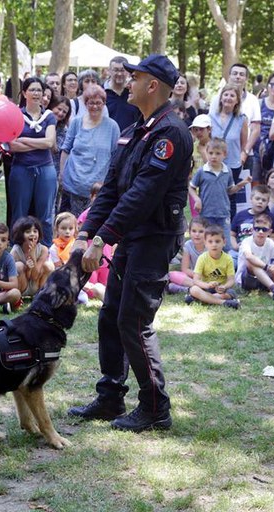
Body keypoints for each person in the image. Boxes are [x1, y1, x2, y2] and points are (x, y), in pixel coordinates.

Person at [68, 54, 192, 433]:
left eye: (135, 77)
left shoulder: (171, 135)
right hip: (132, 235)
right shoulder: (135, 129)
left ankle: (155, 408)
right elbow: (111, 188)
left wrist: (103, 237)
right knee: (111, 315)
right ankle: (110, 396)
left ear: (152, 85)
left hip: (154, 237)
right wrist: (87, 233)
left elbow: (142, 196)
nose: (128, 81)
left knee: (134, 321)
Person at [6, 78, 57, 247]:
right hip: (21, 168)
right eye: (32, 90)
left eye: (39, 90)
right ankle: (17, 249)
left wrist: (24, 139)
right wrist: (38, 143)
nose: (36, 93)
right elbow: (13, 145)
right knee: (19, 213)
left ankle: (46, 249)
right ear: (24, 93)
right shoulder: (17, 115)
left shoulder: (49, 116)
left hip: (45, 169)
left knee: (45, 215)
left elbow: (49, 143)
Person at [59, 84, 120, 216]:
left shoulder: (112, 126)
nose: (95, 106)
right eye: (91, 103)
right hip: (74, 185)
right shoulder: (76, 123)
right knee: (74, 222)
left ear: (104, 104)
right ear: (85, 104)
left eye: (98, 103)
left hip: (99, 187)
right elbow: (66, 150)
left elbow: (116, 156)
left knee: (94, 221)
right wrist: (62, 175)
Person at [189, 138, 251, 249]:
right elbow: (191, 187)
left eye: (218, 153)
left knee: (226, 245)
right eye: (211, 153)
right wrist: (197, 199)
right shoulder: (202, 171)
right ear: (206, 153)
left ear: (224, 154)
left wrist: (242, 183)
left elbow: (230, 190)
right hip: (206, 213)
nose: (214, 156)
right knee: (208, 244)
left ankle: (226, 260)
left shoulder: (227, 171)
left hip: (223, 213)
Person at [209, 85, 250, 218]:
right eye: (226, 94)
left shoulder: (242, 119)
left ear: (237, 100)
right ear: (221, 98)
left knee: (230, 196)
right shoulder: (211, 117)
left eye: (232, 95)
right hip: (214, 163)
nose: (228, 98)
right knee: (213, 195)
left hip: (232, 164)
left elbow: (244, 143)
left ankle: (229, 226)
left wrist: (242, 156)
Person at [187, 224, 239, 309]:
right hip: (206, 287)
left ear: (224, 242)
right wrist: (207, 285)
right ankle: (223, 302)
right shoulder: (202, 258)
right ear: (205, 243)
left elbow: (231, 280)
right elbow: (196, 280)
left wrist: (224, 286)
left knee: (231, 293)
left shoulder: (228, 259)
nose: (214, 244)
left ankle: (202, 299)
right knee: (194, 289)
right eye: (210, 242)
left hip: (221, 290)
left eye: (217, 241)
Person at [10, 215, 54, 297]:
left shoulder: (43, 250)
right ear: (21, 234)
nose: (32, 234)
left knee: (49, 266)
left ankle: (42, 294)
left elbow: (34, 276)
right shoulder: (15, 251)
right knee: (18, 266)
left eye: (35, 231)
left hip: (36, 284)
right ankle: (18, 296)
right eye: (28, 232)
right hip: (22, 285)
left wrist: (32, 254)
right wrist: (27, 268)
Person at [256, 72, 274, 179]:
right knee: (256, 181)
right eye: (272, 84)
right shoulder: (258, 103)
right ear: (267, 86)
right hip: (257, 150)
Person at [167, 217, 206, 295]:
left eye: (201, 231)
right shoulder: (188, 245)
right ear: (189, 232)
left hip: (207, 277)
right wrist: (196, 276)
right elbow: (185, 269)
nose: (197, 234)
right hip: (192, 276)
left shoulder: (210, 246)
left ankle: (186, 289)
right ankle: (197, 288)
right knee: (171, 275)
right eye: (194, 231)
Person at [106, 56, 140, 131]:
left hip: (130, 137)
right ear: (109, 71)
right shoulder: (101, 93)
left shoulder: (134, 93)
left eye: (122, 70)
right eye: (116, 70)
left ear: (128, 72)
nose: (119, 73)